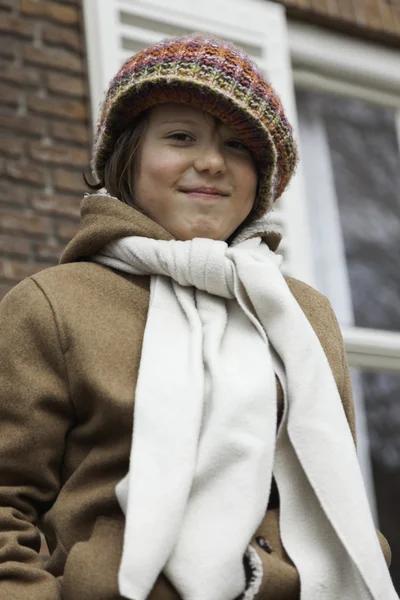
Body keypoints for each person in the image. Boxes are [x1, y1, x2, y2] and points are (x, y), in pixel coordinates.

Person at [0, 33, 397, 600]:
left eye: (238, 146)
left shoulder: (303, 314)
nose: (211, 162)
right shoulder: (53, 304)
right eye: (180, 136)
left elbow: (334, 493)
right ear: (127, 156)